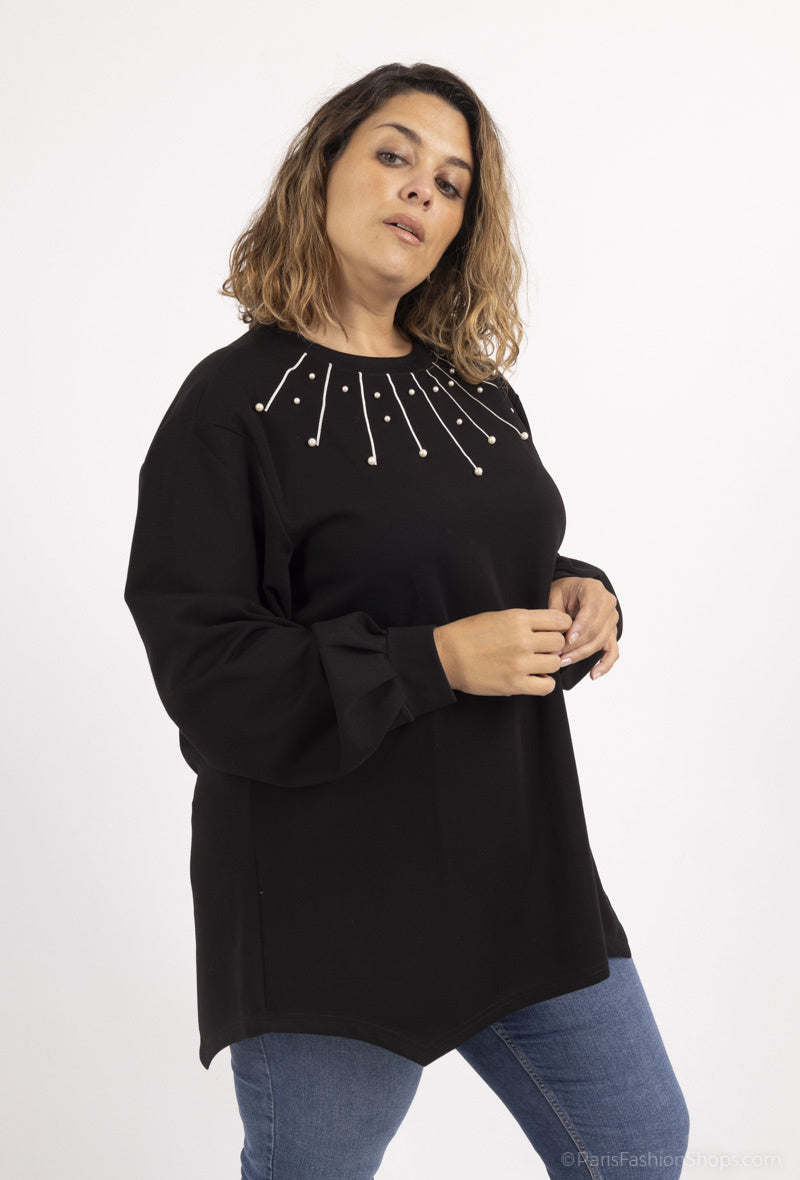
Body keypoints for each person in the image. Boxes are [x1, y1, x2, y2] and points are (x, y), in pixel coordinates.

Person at [125, 62, 690, 1180]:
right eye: (393, 155)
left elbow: (445, 554)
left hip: (517, 867)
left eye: (451, 182)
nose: (421, 190)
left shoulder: (476, 392)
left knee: (635, 1143)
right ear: (320, 171)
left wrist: (577, 589)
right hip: (328, 897)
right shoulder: (227, 407)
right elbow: (208, 674)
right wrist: (433, 662)